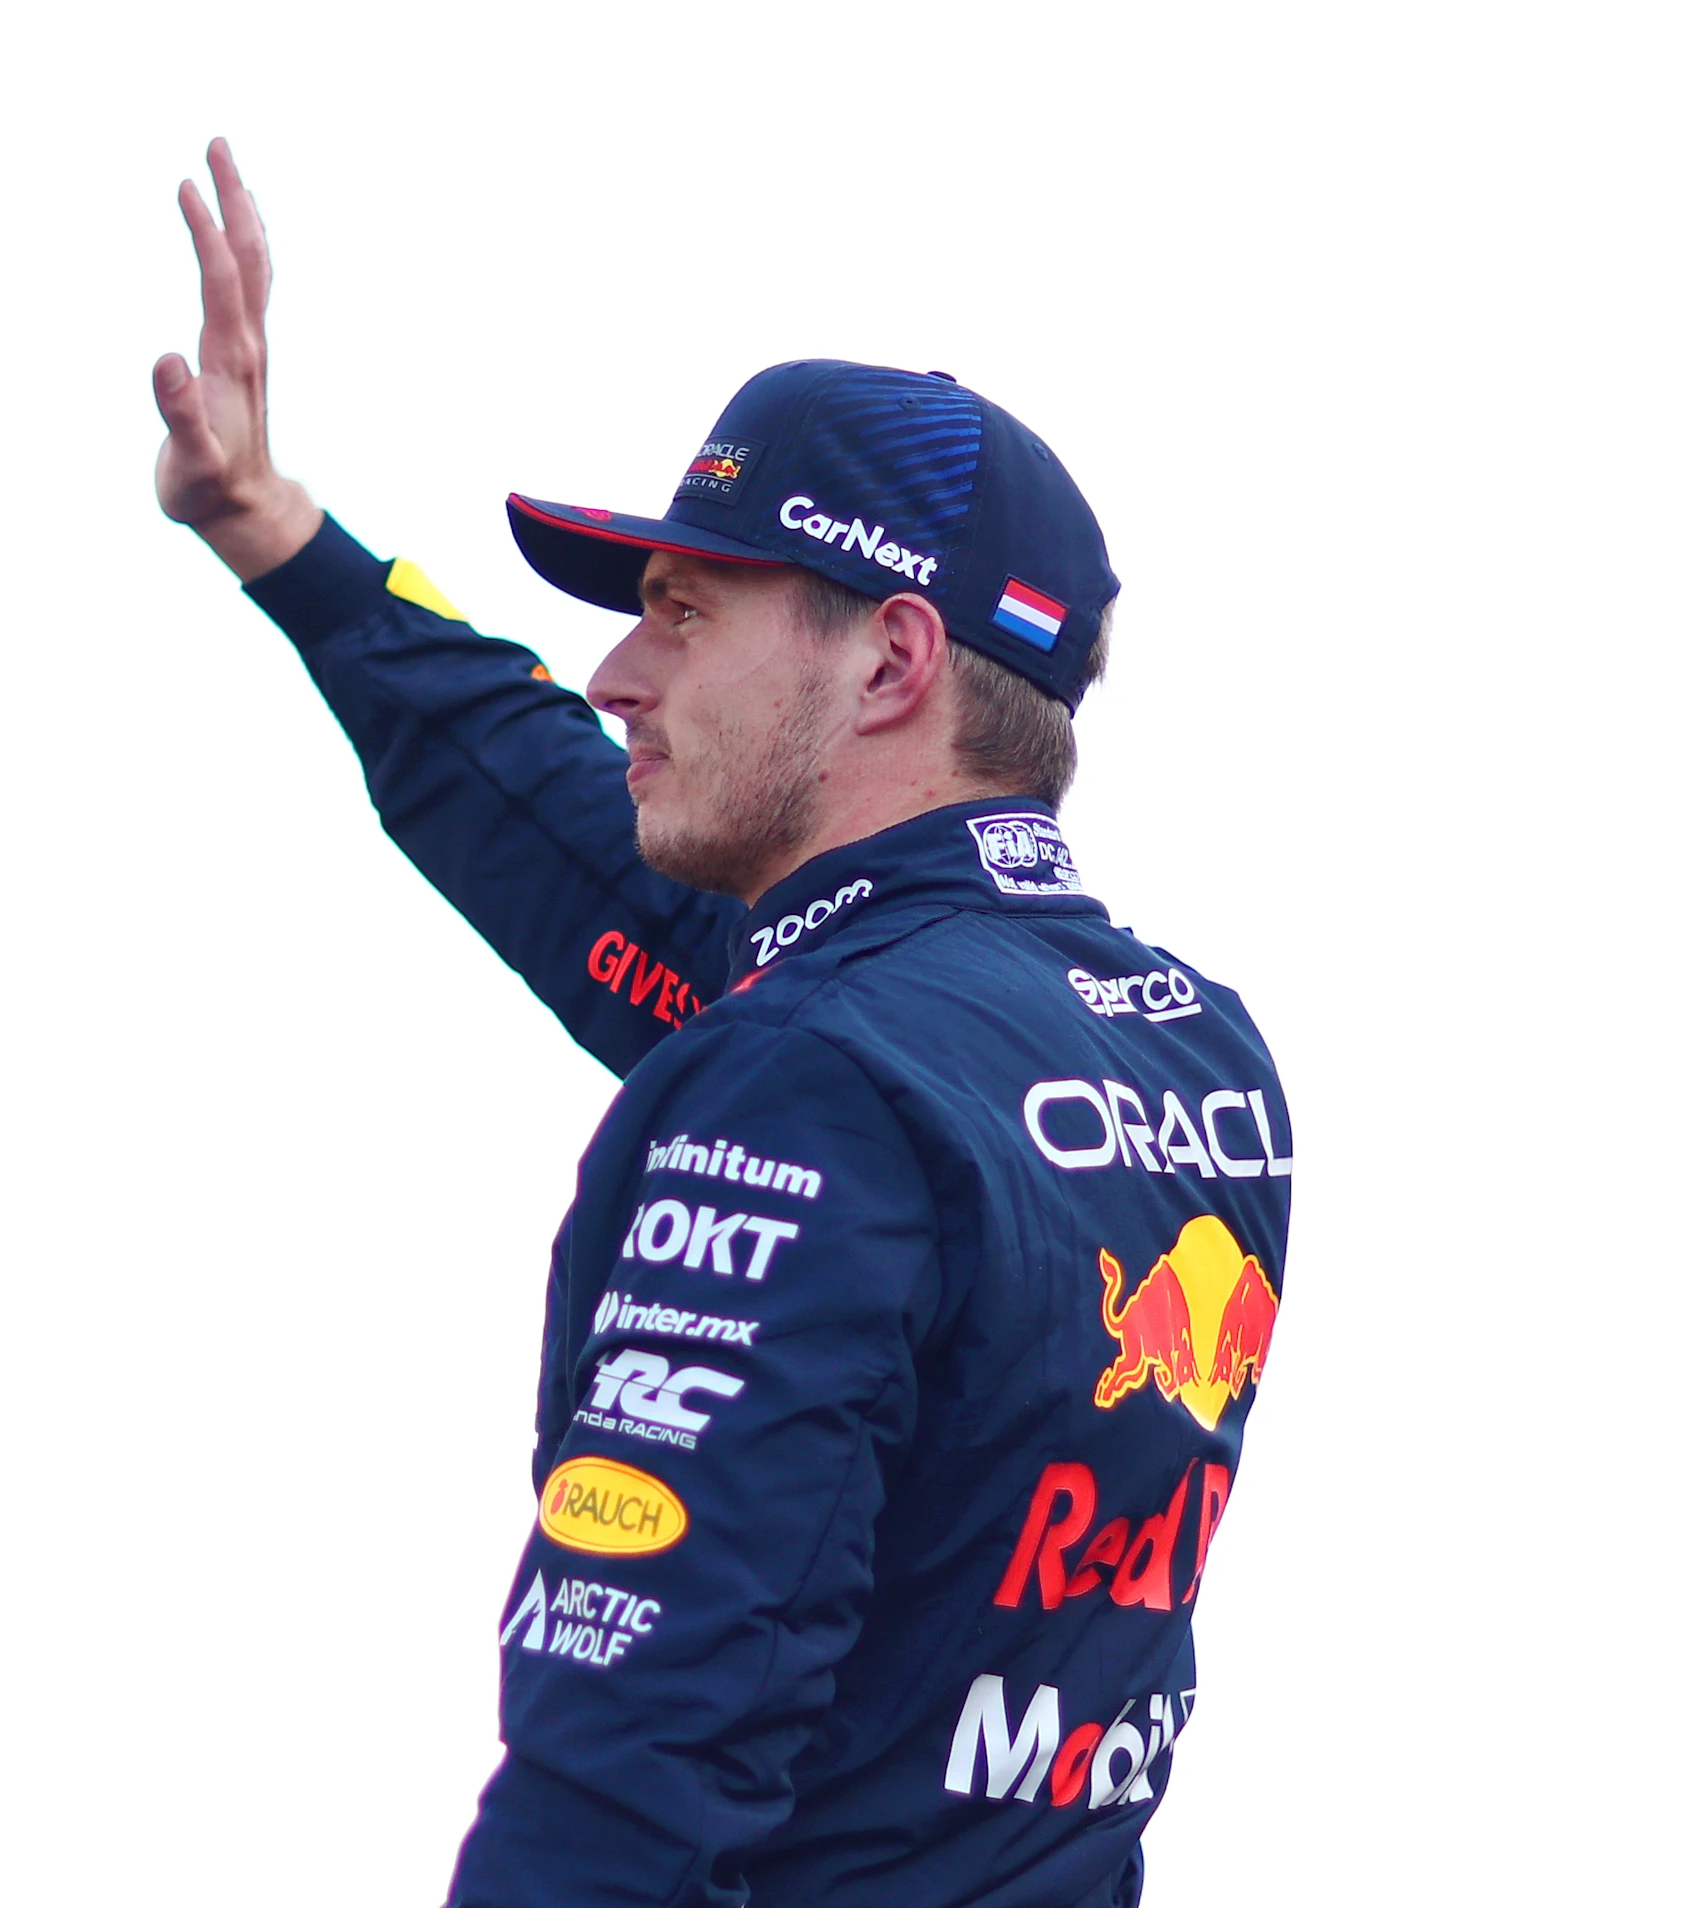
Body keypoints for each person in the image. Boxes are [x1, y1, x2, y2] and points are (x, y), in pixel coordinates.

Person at [150, 141, 1296, 1907]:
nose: (619, 674)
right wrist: (284, 541)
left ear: (891, 662)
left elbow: (638, 1764)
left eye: (684, 615)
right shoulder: (1190, 1051)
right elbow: (562, 823)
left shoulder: (808, 1079)